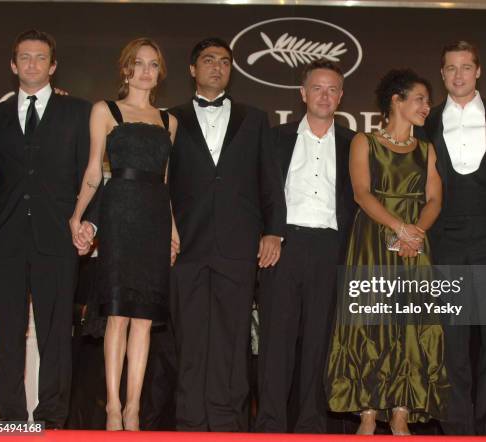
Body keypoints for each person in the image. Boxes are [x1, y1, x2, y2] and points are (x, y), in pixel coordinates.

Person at [167, 37, 286, 432]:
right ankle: (190, 422)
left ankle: (227, 426)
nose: (217, 67)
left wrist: (274, 231)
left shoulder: (254, 119)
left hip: (239, 244)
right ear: (192, 69)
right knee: (189, 339)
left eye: (223, 61)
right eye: (208, 60)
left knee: (233, 341)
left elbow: (270, 181)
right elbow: (160, 185)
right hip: (185, 245)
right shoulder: (169, 118)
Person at [0, 29, 91, 428]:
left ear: (53, 65)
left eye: (40, 58)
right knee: (6, 332)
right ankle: (10, 418)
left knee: (55, 333)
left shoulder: (78, 113)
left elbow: (90, 178)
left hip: (58, 237)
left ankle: (51, 419)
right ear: (12, 65)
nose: (32, 64)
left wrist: (88, 223)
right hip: (5, 237)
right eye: (24, 57)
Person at [326, 69, 447, 436]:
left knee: (409, 326)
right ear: (396, 100)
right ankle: (366, 412)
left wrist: (417, 232)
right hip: (374, 241)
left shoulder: (426, 149)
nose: (427, 106)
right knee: (369, 323)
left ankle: (400, 411)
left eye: (427, 100)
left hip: (413, 244)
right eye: (420, 99)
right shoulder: (365, 142)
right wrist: (398, 228)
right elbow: (362, 194)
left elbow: (435, 198)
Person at [69, 37, 178, 431]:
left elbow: (167, 183)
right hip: (118, 214)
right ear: (126, 69)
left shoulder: (170, 121)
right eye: (139, 63)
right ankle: (113, 407)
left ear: (160, 72)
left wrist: (174, 231)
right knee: (117, 314)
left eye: (153, 64)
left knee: (144, 320)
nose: (146, 70)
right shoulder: (105, 110)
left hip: (153, 219)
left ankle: (134, 409)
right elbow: (94, 172)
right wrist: (78, 216)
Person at [420, 40, 486, 435]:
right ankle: (458, 427)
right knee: (452, 343)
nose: (458, 75)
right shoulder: (426, 122)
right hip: (446, 243)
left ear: (478, 71)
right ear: (442, 74)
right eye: (450, 68)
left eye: (465, 67)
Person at [255, 59, 355, 433]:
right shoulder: (275, 137)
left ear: (341, 97)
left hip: (332, 249)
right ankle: (269, 425)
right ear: (302, 94)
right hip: (283, 244)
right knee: (275, 342)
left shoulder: (354, 144)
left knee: (320, 343)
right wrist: (269, 231)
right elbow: (259, 193)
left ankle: (311, 427)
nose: (325, 95)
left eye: (332, 89)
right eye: (317, 88)